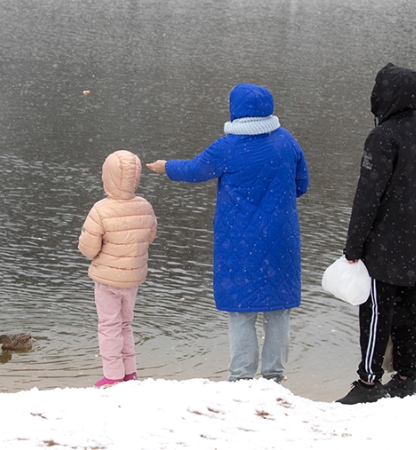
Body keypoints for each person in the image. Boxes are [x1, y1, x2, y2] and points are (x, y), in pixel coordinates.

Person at [147, 83, 309, 384]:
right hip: (281, 241)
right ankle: (274, 376)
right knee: (279, 310)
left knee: (240, 309)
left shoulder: (228, 147)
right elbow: (302, 185)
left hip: (239, 242)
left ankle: (241, 379)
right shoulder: (286, 142)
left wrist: (165, 166)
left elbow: (195, 170)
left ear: (236, 110)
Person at [336, 63, 416, 404]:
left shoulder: (382, 137)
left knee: (378, 310)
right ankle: (406, 378)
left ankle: (368, 382)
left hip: (383, 243)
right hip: (414, 240)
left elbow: (368, 195)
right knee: (411, 308)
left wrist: (353, 247)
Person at [79, 150, 158, 388]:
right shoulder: (144, 206)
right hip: (133, 278)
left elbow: (89, 249)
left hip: (107, 279)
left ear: (108, 177)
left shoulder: (101, 209)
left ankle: (113, 374)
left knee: (109, 325)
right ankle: (130, 372)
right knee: (125, 324)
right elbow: (150, 236)